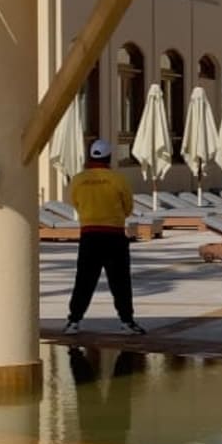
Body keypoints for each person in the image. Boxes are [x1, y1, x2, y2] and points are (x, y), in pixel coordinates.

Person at [64, 139, 144, 334]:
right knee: (120, 281)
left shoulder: (78, 180)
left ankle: (73, 321)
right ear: (109, 157)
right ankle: (127, 321)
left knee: (84, 280)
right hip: (114, 236)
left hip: (89, 236)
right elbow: (128, 206)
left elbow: (73, 202)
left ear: (90, 156)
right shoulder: (118, 179)